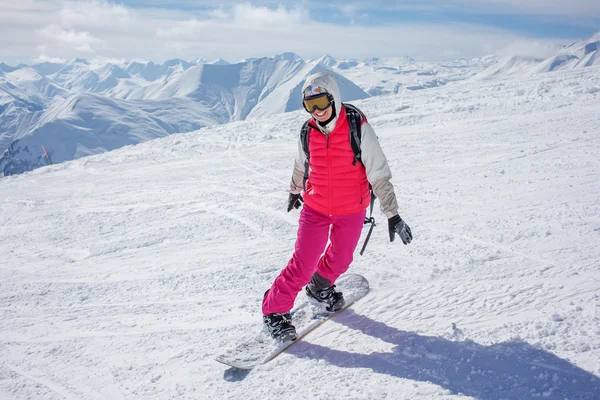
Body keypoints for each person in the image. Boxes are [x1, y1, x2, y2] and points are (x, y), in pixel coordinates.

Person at [261, 72, 412, 340]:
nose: (317, 111)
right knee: (303, 263)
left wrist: (393, 214)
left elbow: (378, 173)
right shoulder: (308, 131)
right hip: (316, 207)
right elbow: (301, 164)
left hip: (352, 208)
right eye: (310, 106)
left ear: (335, 99)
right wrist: (295, 189)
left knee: (341, 259)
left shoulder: (357, 126)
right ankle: (274, 311)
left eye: (321, 103)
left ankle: (320, 289)